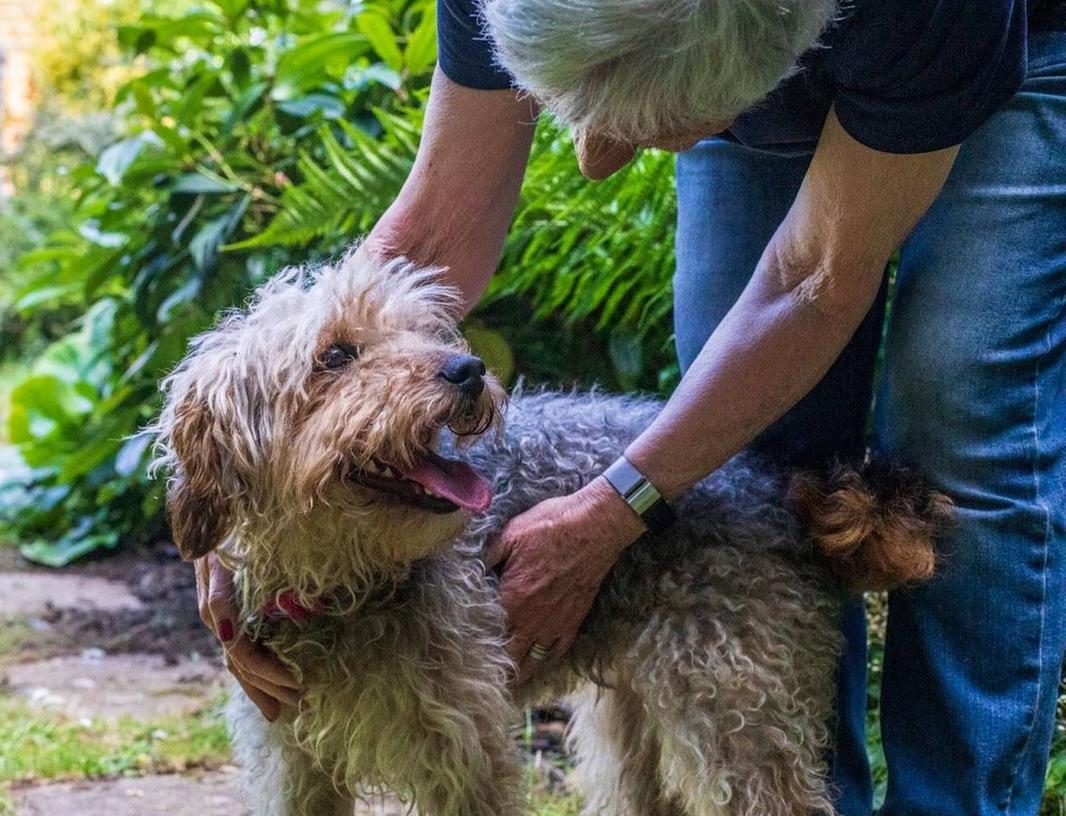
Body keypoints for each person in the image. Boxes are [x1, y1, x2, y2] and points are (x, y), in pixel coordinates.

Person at [196, 0, 1066, 811]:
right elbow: (424, 245)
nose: (598, 159)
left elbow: (812, 282)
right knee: (760, 451)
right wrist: (234, 508)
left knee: (965, 430)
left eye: (643, 131)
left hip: (997, 53)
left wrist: (618, 507)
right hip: (713, 46)